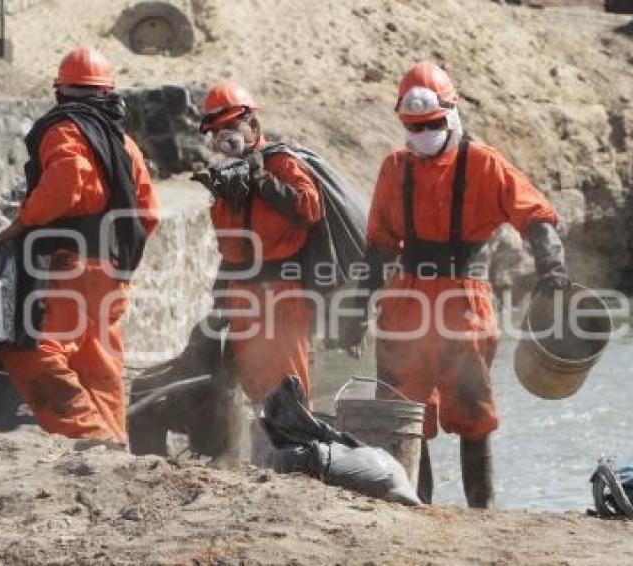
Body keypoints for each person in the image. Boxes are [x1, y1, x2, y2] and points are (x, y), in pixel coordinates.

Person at [358, 62, 569, 506]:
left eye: (432, 124)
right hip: (406, 297)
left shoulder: (484, 163)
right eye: (413, 126)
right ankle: (415, 506)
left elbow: (535, 216)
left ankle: (481, 511)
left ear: (451, 114)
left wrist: (552, 267)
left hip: (463, 298)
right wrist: (359, 304)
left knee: (471, 408)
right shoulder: (394, 168)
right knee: (403, 410)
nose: (423, 133)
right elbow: (379, 244)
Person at [0, 46, 159, 444]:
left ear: (61, 92)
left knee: (33, 352)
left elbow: (68, 178)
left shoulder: (64, 129)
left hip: (70, 265)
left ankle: (93, 439)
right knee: (98, 366)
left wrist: (23, 222)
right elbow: (149, 213)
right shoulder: (126, 145)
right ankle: (116, 447)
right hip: (112, 272)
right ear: (108, 93)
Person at [191, 82, 322, 406]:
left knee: (288, 378)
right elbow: (230, 246)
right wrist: (221, 295)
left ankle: (297, 446)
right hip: (241, 288)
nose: (225, 137)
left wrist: (264, 181)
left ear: (253, 124)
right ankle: (255, 451)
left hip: (281, 287)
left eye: (231, 127)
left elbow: (310, 208)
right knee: (249, 379)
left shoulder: (281, 163)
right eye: (217, 131)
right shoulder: (225, 175)